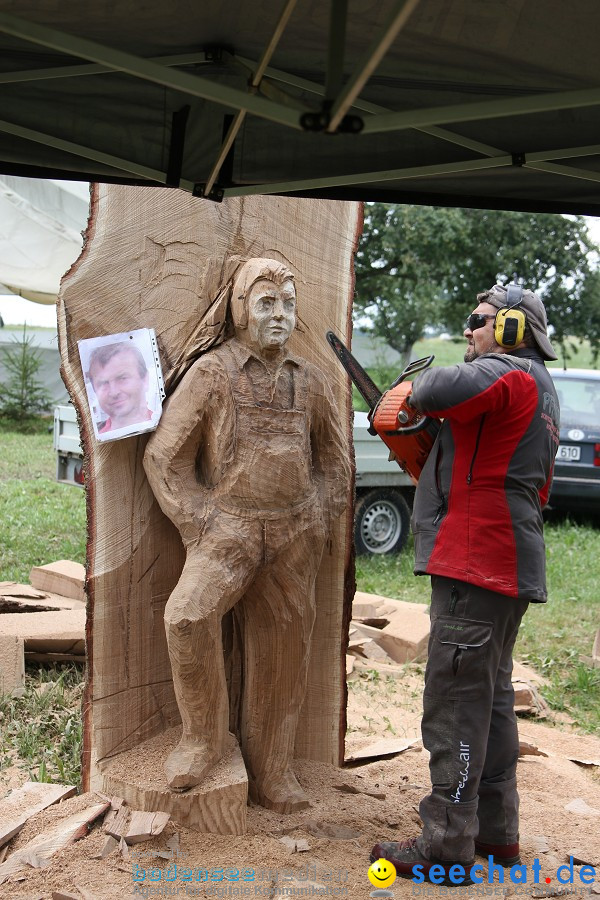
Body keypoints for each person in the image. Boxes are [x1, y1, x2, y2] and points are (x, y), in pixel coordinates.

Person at [143, 257, 349, 811]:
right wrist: (198, 520)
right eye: (265, 303)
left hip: (294, 534)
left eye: (287, 304)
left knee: (283, 649)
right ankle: (202, 738)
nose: (279, 315)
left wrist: (321, 517)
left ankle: (274, 770)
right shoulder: (213, 374)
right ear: (239, 311)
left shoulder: (313, 381)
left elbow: (335, 460)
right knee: (187, 616)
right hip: (227, 529)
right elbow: (164, 458)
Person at [371, 283, 560, 883]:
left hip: (479, 560)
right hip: (503, 562)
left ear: (510, 327)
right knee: (492, 698)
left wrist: (410, 392)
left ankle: (446, 842)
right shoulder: (533, 387)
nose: (469, 331)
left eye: (478, 321)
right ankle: (497, 834)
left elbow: (436, 388)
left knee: (454, 700)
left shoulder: (512, 373)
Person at [88, 342, 153, 433]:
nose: (114, 392)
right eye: (103, 383)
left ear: (145, 380)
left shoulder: (168, 425)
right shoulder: (95, 442)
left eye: (122, 378)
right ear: (94, 390)